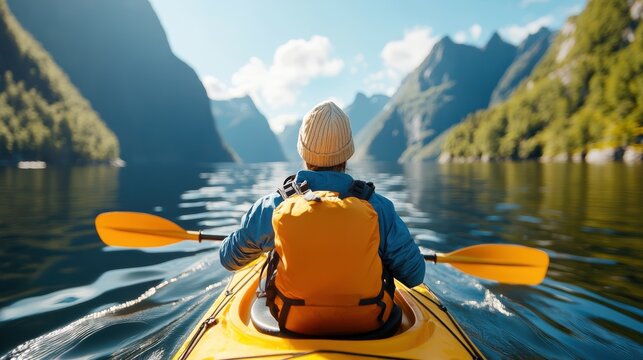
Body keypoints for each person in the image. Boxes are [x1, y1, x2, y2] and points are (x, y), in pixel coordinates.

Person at [219, 100, 425, 336]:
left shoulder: (274, 207)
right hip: (371, 323)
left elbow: (229, 259)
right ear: (348, 152)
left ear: (302, 150)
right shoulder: (379, 208)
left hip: (291, 320)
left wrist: (266, 242)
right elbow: (415, 275)